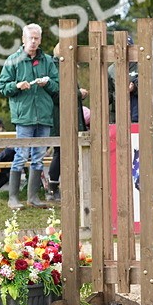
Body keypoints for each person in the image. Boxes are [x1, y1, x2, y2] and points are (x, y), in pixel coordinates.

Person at [0, 23, 59, 209]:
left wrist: (47, 84)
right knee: (21, 155)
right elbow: (2, 86)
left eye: (36, 38)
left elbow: (57, 86)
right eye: (30, 38)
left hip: (44, 116)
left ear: (40, 40)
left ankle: (33, 198)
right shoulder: (13, 60)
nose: (33, 41)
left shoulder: (47, 61)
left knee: (39, 157)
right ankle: (13, 198)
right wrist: (16, 86)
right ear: (23, 39)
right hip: (24, 117)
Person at [46, 42, 89, 202]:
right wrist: (78, 93)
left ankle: (65, 188)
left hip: (68, 115)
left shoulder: (63, 66)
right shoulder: (56, 67)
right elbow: (60, 93)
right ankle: (53, 189)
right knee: (60, 152)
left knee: (67, 152)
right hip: (61, 116)